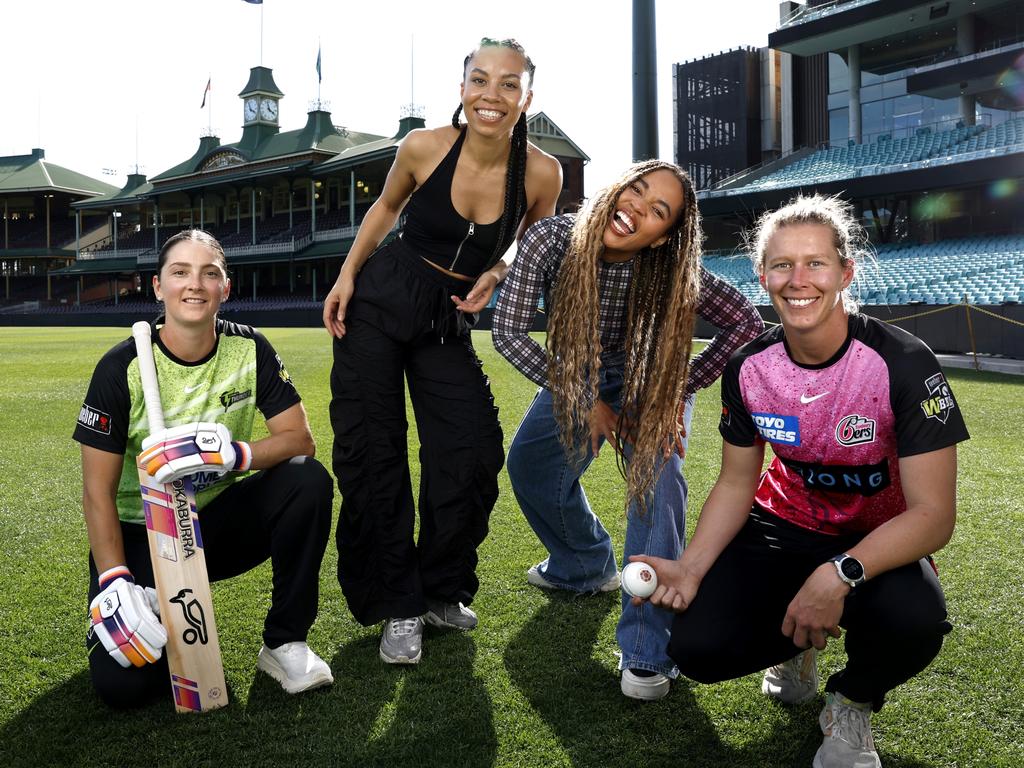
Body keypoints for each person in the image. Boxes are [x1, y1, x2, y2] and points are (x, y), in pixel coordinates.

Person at [633, 194, 968, 767]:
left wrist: (837, 576)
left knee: (915, 622)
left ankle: (852, 700)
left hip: (873, 540)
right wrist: (689, 568)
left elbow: (934, 515)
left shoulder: (903, 363)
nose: (798, 279)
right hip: (783, 523)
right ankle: (797, 647)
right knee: (697, 650)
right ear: (762, 274)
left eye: (815, 262)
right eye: (782, 264)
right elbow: (738, 483)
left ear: (845, 271)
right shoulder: (748, 367)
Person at [322, 37, 562, 665]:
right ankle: (398, 604)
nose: (492, 94)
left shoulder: (542, 171)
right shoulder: (422, 147)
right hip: (383, 296)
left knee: (473, 447)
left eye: (509, 83)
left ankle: (439, 587)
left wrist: (502, 267)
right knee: (375, 450)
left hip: (448, 317)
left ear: (527, 98)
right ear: (462, 89)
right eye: (480, 80)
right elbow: (386, 206)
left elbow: (535, 237)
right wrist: (347, 276)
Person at [492, 159, 764, 701]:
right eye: (636, 190)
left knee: (656, 485)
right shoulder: (551, 238)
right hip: (578, 373)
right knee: (529, 465)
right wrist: (587, 400)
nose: (638, 207)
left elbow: (746, 323)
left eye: (658, 209)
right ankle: (584, 564)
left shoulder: (671, 268)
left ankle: (647, 651)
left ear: (665, 236)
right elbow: (508, 330)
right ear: (617, 188)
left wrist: (680, 389)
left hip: (650, 379)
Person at [75, 229, 334, 708]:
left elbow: (302, 441)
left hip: (214, 525)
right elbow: (97, 493)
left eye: (209, 273)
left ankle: (285, 642)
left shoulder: (250, 349)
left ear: (225, 288)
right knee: (126, 690)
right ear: (157, 287)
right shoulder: (121, 366)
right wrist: (113, 574)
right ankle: (140, 597)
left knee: (306, 479)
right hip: (141, 537)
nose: (194, 284)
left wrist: (235, 455)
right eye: (180, 272)